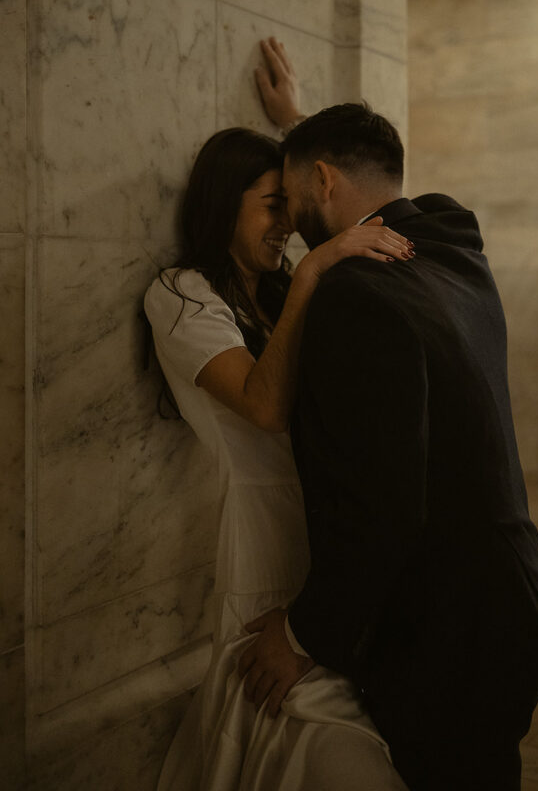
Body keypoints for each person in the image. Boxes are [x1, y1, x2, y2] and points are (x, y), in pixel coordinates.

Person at [241, 44, 538, 790]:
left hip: (449, 637)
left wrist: (299, 635)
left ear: (321, 181)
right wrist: (304, 130)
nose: (295, 232)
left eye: (295, 206)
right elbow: (370, 190)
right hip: (510, 602)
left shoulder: (355, 296)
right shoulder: (455, 243)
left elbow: (381, 504)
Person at [144, 68, 412, 790]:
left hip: (330, 531)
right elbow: (262, 407)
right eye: (269, 207)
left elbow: (347, 185)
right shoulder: (180, 297)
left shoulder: (277, 284)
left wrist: (296, 120)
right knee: (298, 728)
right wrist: (311, 274)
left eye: (287, 206)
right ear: (221, 207)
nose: (287, 224)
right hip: (263, 540)